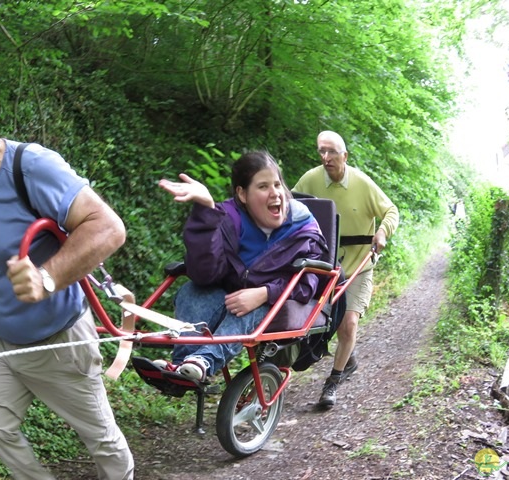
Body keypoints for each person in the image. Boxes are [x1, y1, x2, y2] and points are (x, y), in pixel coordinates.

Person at [0, 92, 134, 480]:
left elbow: (108, 227)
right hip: (0, 343)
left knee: (101, 439)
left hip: (56, 343)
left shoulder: (31, 166)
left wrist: (46, 277)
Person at [147, 151, 328, 383]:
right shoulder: (225, 218)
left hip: (275, 299)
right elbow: (205, 274)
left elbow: (309, 282)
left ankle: (204, 360)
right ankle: (182, 364)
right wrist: (205, 209)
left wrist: (265, 293)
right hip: (229, 290)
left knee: (248, 307)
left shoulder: (304, 229)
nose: (275, 193)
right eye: (263, 187)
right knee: (192, 291)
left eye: (277, 184)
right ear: (242, 194)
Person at [292, 130, 399, 409]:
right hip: (324, 265)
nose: (326, 158)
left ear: (344, 156)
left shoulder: (362, 184)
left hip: (358, 265)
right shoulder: (310, 180)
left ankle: (333, 381)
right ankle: (346, 356)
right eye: (321, 152)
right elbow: (290, 210)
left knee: (348, 322)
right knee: (321, 322)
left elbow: (391, 211)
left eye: (331, 152)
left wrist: (383, 233)